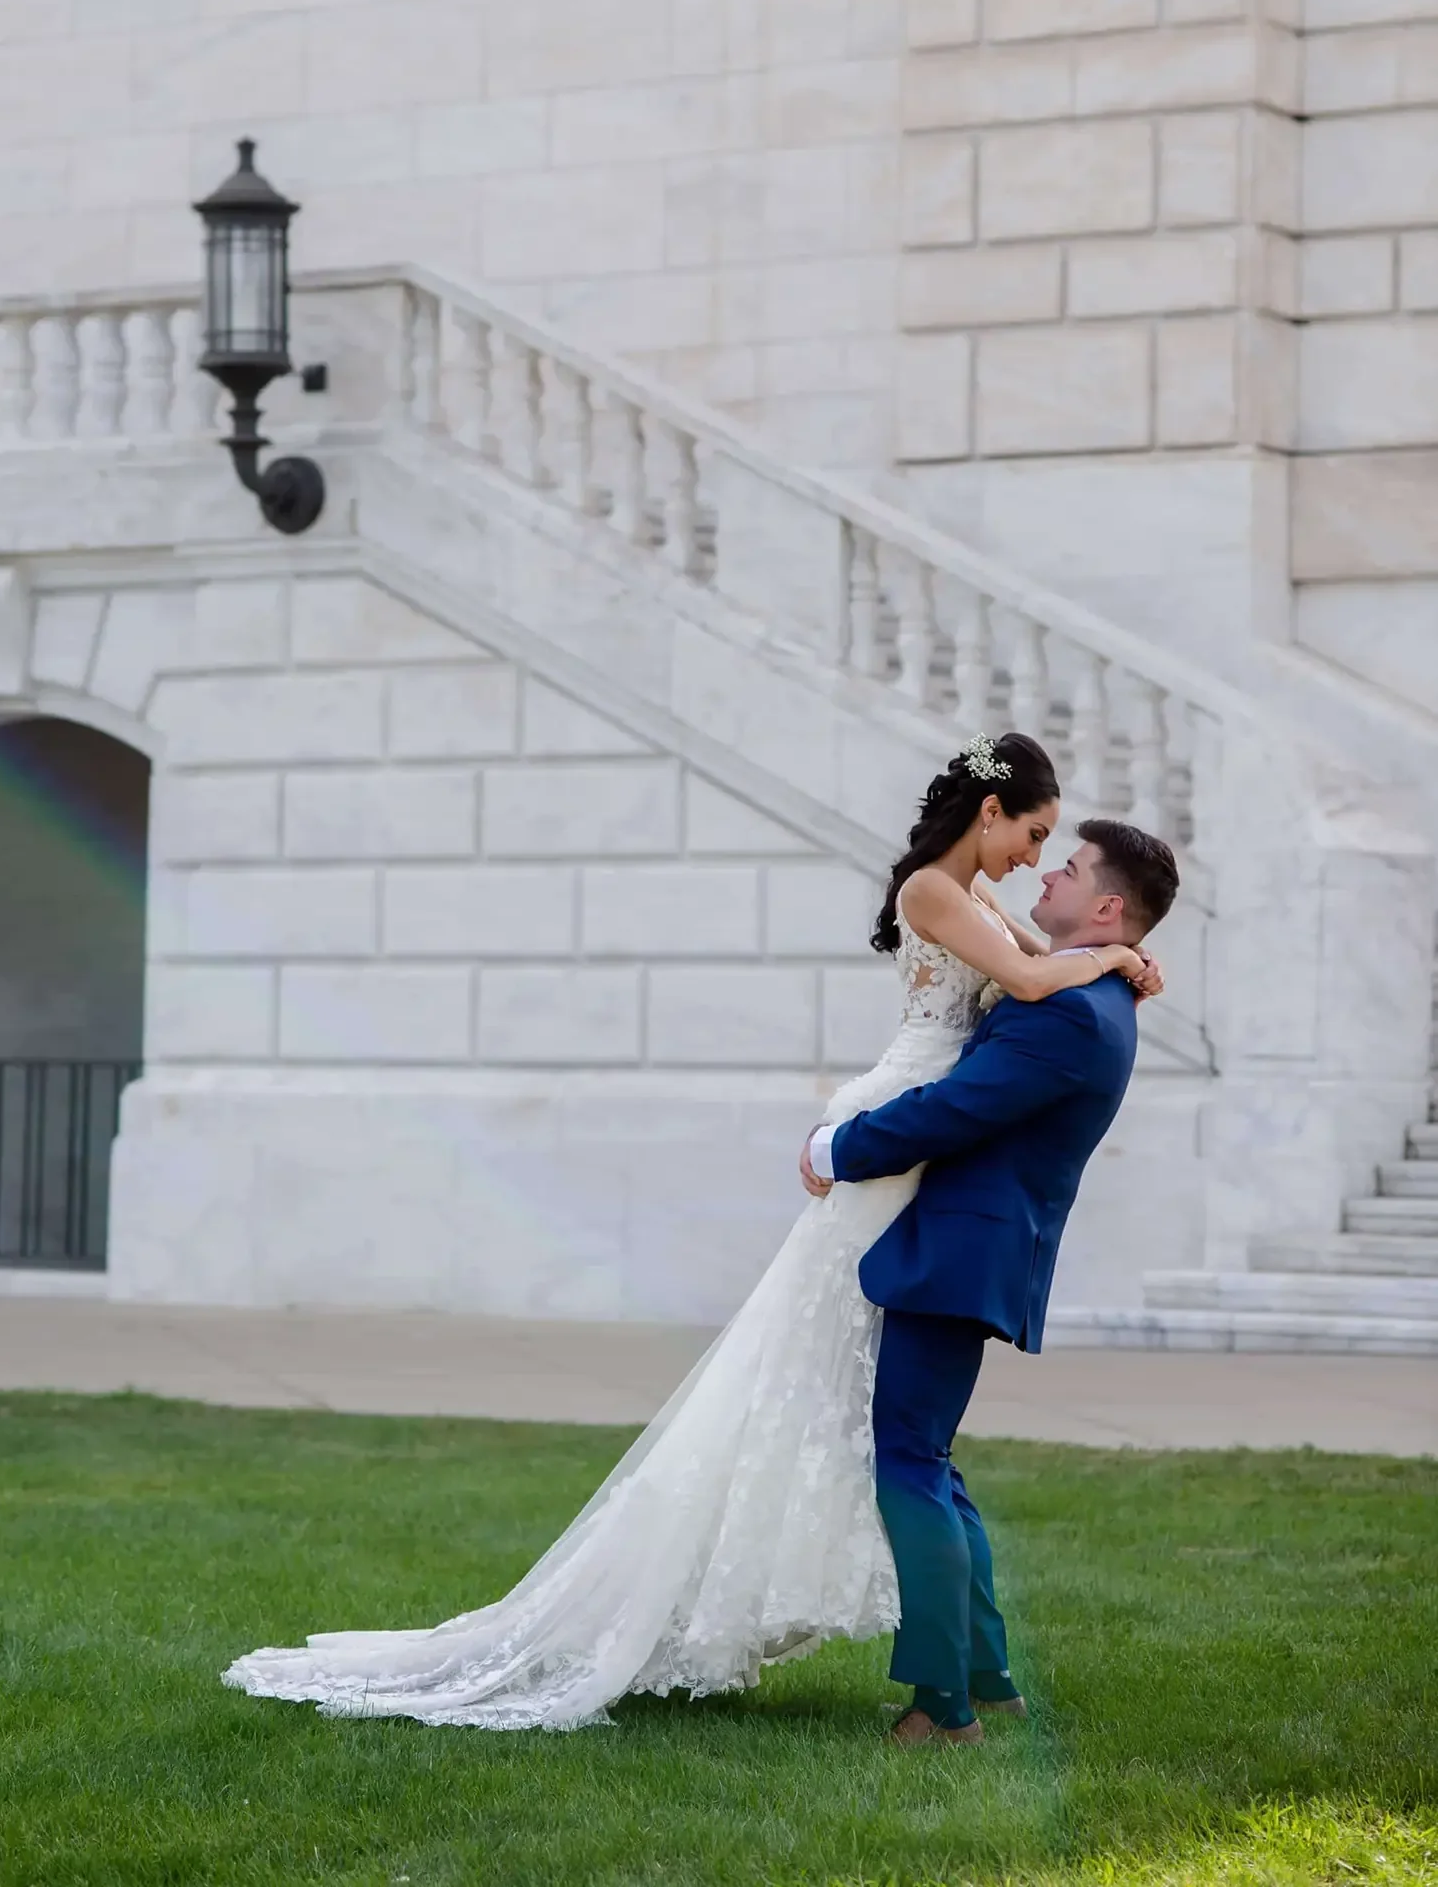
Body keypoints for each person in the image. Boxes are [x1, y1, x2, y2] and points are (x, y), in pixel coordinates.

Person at [222, 731, 1161, 1732]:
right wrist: (1106, 956)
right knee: (893, 1438)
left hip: (919, 1171)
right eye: (1033, 835)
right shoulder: (937, 892)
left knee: (903, 1450)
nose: (1037, 859)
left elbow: (1027, 978)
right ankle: (962, 1687)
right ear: (987, 814)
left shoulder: (998, 918)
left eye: (1058, 853)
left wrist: (1105, 956)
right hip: (893, 1145)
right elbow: (1024, 982)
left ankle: (959, 1689)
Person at [801, 800, 1181, 1746]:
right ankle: (988, 1675)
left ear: (1106, 910)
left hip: (961, 1250)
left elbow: (955, 1109)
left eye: (1071, 867)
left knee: (910, 1463)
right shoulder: (1083, 995)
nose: (1048, 874)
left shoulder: (1072, 1022)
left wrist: (837, 1144)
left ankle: (941, 1705)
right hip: (968, 1245)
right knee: (928, 1457)